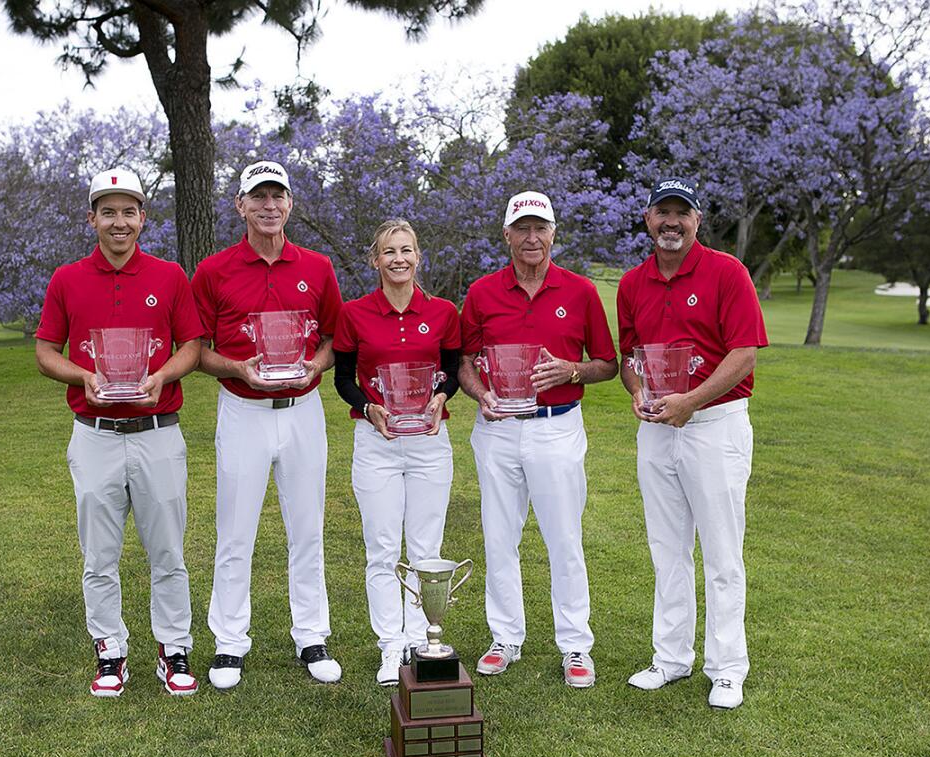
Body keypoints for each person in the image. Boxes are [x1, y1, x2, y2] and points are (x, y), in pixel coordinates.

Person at [34, 167, 203, 698]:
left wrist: (162, 375)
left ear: (142, 218)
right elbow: (44, 352)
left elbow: (193, 345)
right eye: (108, 211)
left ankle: (172, 650)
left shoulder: (169, 275)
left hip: (157, 430)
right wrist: (84, 375)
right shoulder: (67, 279)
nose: (119, 221)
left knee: (168, 552)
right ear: (92, 219)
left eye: (129, 211)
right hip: (95, 432)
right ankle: (110, 651)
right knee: (99, 556)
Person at [191, 160, 345, 689]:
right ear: (241, 206)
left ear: (290, 204)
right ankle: (230, 642)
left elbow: (332, 340)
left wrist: (315, 366)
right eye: (258, 197)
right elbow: (198, 351)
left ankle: (312, 635)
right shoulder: (213, 271)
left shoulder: (317, 267)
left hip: (302, 412)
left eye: (277, 196)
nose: (269, 205)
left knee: (308, 530)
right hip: (243, 412)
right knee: (235, 533)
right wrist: (237, 368)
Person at [617, 178, 768, 710]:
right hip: (657, 426)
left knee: (723, 553)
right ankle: (671, 658)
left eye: (682, 213)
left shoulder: (727, 272)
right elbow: (628, 359)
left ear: (696, 221)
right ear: (648, 218)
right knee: (666, 548)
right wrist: (638, 392)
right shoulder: (633, 282)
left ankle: (727, 668)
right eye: (663, 212)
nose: (671, 222)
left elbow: (744, 354)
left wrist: (692, 401)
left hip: (715, 426)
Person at [457, 191, 618, 688]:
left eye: (540, 228)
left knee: (563, 538)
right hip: (498, 427)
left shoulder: (581, 292)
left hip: (557, 426)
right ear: (507, 235)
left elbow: (608, 364)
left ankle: (574, 645)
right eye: (522, 228)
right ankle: (506, 637)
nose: (532, 237)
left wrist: (571, 369)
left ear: (553, 233)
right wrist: (480, 393)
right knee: (500, 537)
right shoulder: (482, 292)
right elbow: (463, 361)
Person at [332, 219, 462, 687]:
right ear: (375, 260)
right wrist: (367, 408)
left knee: (426, 549)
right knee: (382, 548)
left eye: (406, 250)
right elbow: (343, 377)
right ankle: (391, 644)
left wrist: (442, 397)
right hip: (377, 443)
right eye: (389, 252)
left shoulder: (444, 311)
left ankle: (420, 638)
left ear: (418, 256)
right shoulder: (354, 313)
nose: (399, 259)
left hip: (429, 442)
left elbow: (450, 370)